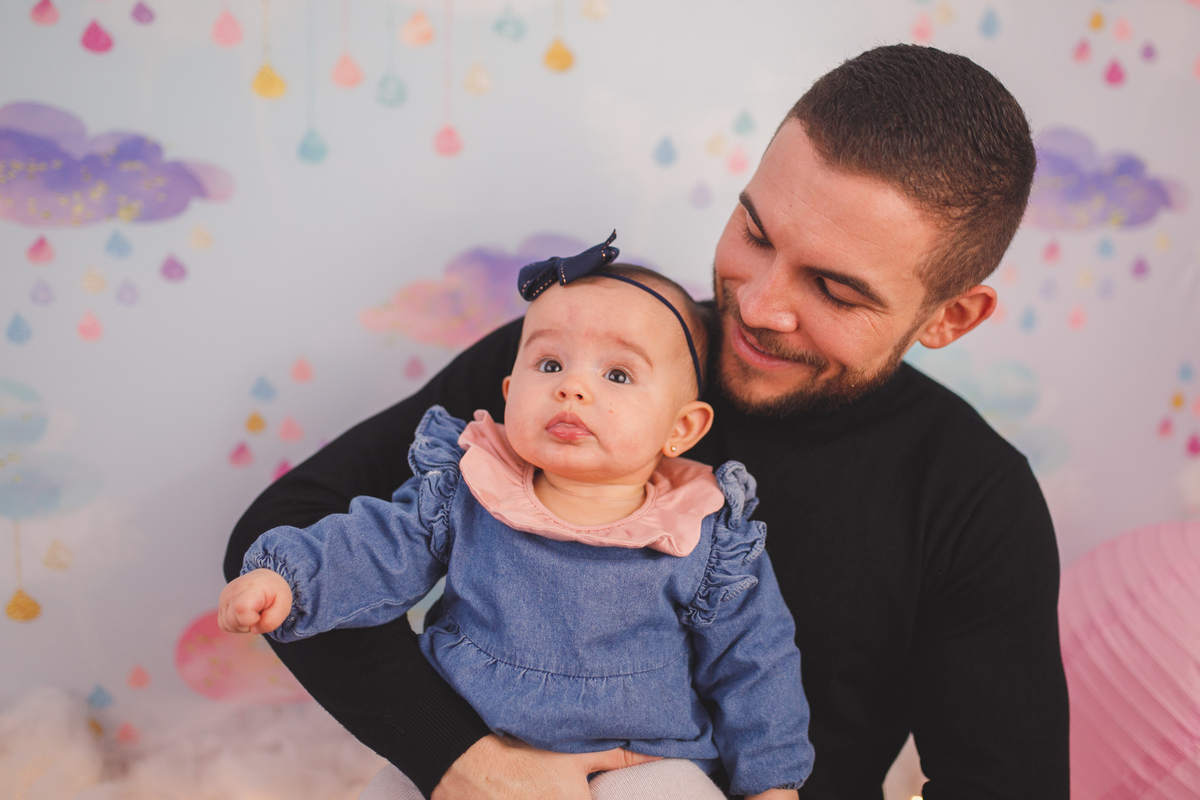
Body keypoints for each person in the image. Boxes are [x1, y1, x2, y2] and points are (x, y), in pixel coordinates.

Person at [225, 44, 1070, 799]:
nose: (762, 304)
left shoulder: (973, 500)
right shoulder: (579, 365)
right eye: (755, 231)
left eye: (835, 289)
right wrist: (461, 762)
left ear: (950, 318)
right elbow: (284, 530)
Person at [218, 251, 815, 800]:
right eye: (550, 363)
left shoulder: (703, 534)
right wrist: (288, 579)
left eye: (619, 375)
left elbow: (754, 661)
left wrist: (773, 784)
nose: (572, 387)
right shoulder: (469, 489)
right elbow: (376, 546)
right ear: (509, 394)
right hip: (471, 747)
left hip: (638, 760)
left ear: (681, 429)